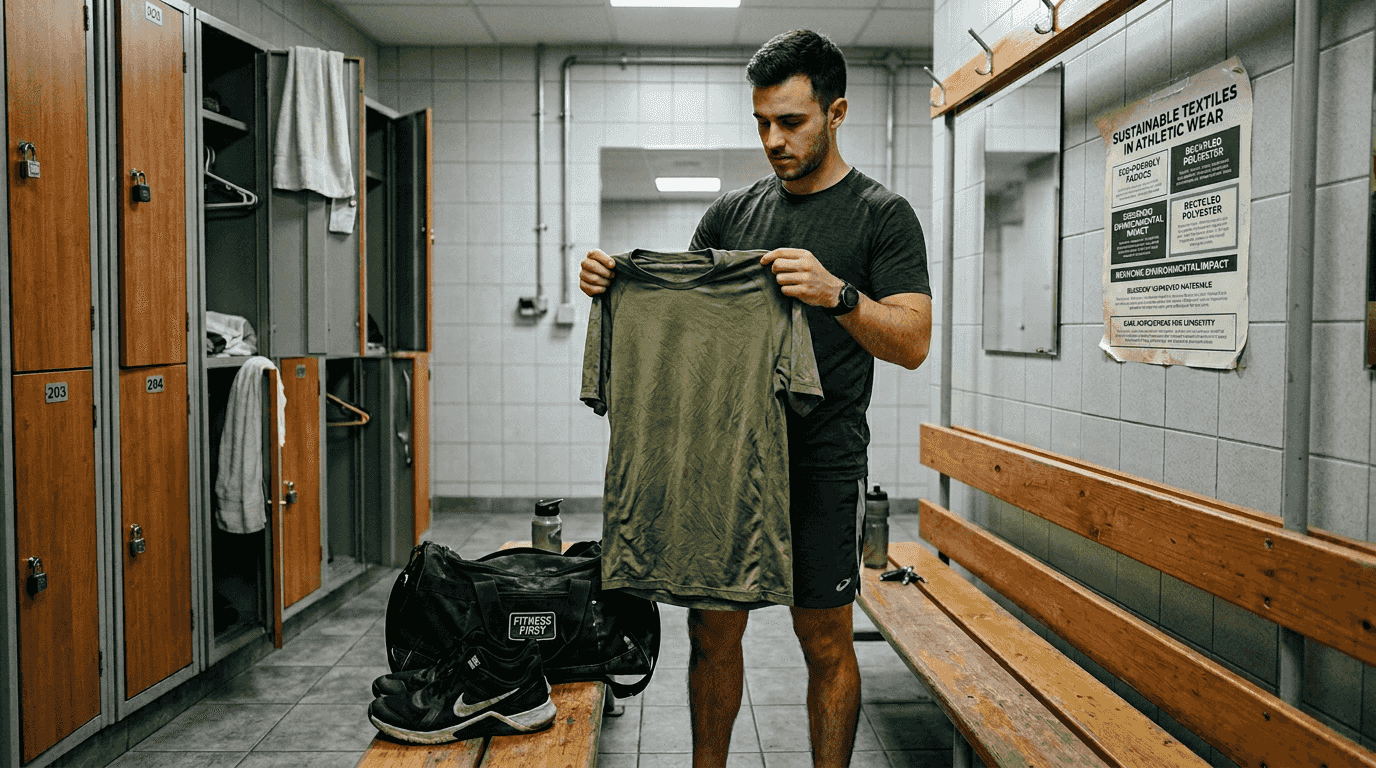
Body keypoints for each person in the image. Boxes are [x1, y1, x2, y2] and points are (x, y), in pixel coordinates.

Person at [580, 29, 931, 768]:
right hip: (726, 459)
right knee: (712, 634)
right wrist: (615, 287)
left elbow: (912, 342)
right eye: (762, 122)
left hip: (823, 457)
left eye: (791, 122)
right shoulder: (731, 216)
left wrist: (838, 295)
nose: (773, 139)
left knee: (824, 639)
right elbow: (688, 319)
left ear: (836, 113)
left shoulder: (881, 215)